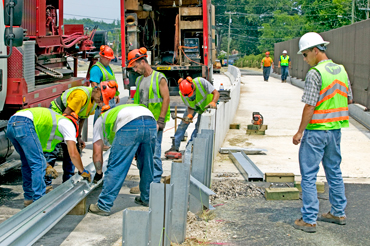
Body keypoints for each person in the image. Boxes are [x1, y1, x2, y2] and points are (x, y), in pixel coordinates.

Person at [292, 32, 353, 233]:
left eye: (305, 54)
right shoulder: (341, 71)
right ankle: (338, 212)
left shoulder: (315, 73)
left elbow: (310, 106)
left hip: (316, 130)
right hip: (335, 131)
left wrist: (300, 131)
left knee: (309, 175)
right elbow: (349, 99)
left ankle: (309, 219)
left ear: (315, 51)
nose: (304, 58)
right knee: (334, 171)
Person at [6, 108, 91, 207]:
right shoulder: (68, 124)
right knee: (37, 165)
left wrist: (46, 164)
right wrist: (82, 171)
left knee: (27, 163)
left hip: (12, 123)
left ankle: (28, 199)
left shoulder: (48, 126)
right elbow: (73, 153)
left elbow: (37, 153)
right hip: (25, 123)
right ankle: (39, 201)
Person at [44, 83, 117, 192]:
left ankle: (68, 182)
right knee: (53, 150)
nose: (101, 101)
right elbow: (66, 114)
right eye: (101, 98)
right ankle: (46, 185)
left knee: (72, 150)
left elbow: (82, 118)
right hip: (57, 117)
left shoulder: (92, 101)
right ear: (97, 90)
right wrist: (69, 136)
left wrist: (78, 137)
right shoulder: (81, 96)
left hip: (67, 119)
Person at [88, 104, 157, 215]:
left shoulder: (99, 122)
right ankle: (147, 198)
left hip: (129, 124)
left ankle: (103, 205)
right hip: (151, 121)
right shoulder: (118, 111)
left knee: (117, 166)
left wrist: (98, 172)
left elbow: (97, 153)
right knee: (147, 164)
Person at [127, 47, 170, 193]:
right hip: (142, 123)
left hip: (155, 123)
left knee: (154, 154)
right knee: (141, 155)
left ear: (143, 61)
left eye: (135, 65)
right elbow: (137, 103)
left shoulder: (159, 78)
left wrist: (161, 121)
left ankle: (155, 185)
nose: (135, 69)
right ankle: (145, 184)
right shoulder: (139, 80)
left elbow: (166, 99)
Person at [166, 76, 220, 153]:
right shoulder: (184, 93)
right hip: (195, 107)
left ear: (192, 85)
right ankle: (175, 147)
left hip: (207, 106)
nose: (190, 96)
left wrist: (213, 102)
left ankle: (191, 146)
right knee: (183, 124)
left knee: (199, 127)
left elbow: (216, 93)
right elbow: (190, 106)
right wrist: (189, 116)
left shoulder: (201, 82)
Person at [89, 45, 120, 123]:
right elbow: (94, 85)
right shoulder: (96, 69)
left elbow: (112, 82)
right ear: (101, 57)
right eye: (107, 58)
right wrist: (98, 101)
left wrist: (116, 94)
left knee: (110, 123)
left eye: (110, 59)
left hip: (111, 100)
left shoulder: (107, 67)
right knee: (100, 124)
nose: (109, 60)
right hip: (103, 101)